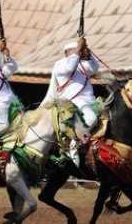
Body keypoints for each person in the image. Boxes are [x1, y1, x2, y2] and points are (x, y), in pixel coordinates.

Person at [42, 37, 99, 165]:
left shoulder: (81, 63)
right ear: (67, 52)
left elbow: (94, 68)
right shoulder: (61, 64)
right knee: (91, 118)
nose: (78, 52)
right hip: (71, 103)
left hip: (89, 101)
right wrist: (79, 50)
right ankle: (74, 144)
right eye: (75, 50)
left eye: (78, 50)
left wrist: (88, 54)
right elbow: (69, 68)